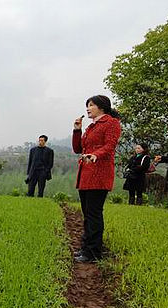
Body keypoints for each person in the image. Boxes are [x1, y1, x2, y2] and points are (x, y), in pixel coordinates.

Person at [72, 95, 121, 263]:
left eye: (91, 105)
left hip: (99, 174)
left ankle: (93, 252)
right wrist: (77, 130)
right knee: (87, 213)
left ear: (102, 107)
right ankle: (86, 248)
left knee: (93, 213)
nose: (88, 108)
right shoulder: (91, 127)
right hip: (86, 174)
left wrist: (95, 154)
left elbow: (110, 146)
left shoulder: (111, 123)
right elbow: (78, 148)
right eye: (87, 105)